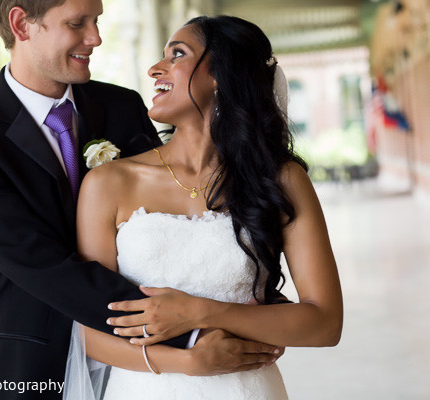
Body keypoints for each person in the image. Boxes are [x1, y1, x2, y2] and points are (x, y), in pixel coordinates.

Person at [0, 1, 281, 398]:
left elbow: (176, 219)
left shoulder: (123, 106)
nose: (95, 38)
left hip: (145, 373)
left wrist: (252, 299)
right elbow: (43, 266)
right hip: (37, 363)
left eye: (96, 21)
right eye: (77, 24)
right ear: (21, 25)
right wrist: (194, 331)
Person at [66, 15, 343, 399]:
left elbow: (325, 324)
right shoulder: (110, 183)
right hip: (146, 388)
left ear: (221, 73)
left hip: (247, 388)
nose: (154, 69)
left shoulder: (282, 179)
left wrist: (202, 312)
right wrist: (187, 362)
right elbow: (88, 331)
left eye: (177, 54)